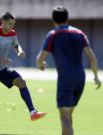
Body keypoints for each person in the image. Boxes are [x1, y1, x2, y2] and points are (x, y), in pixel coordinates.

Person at [36, 6, 101, 135]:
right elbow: (92, 57)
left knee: (64, 118)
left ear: (53, 20)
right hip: (80, 79)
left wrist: (41, 65)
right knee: (68, 116)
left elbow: (40, 59)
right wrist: (96, 76)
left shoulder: (53, 35)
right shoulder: (79, 33)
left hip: (65, 80)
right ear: (67, 18)